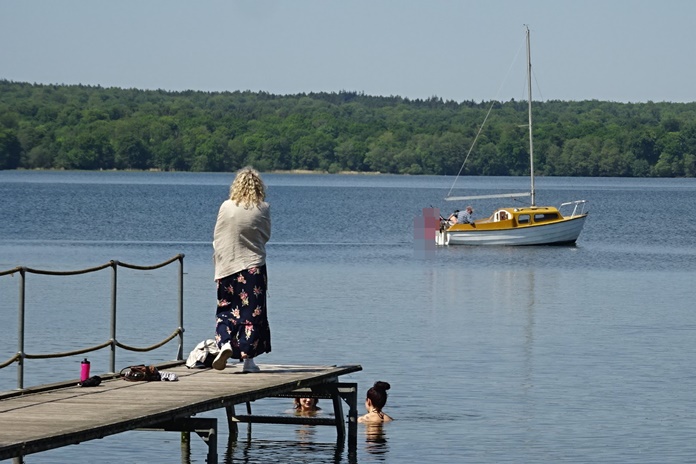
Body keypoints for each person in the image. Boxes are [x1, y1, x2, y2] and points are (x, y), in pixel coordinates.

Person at [211, 167, 271, 373]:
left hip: (226, 267)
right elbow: (265, 235)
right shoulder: (262, 207)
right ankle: (248, 360)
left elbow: (218, 235)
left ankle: (226, 342)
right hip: (252, 268)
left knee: (226, 310)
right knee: (252, 314)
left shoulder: (226, 206)